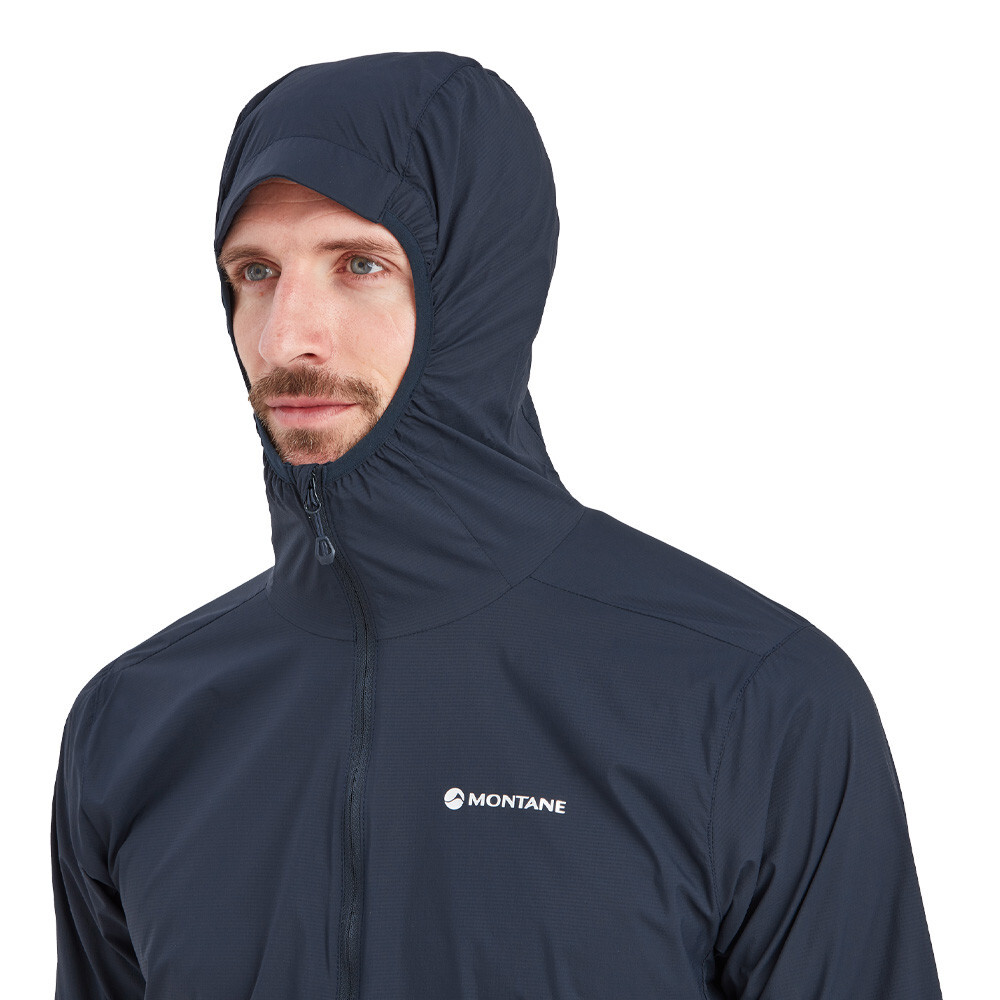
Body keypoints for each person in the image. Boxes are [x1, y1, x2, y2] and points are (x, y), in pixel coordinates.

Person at [52, 52, 941, 999]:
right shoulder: (134, 723)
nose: (284, 337)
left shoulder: (753, 701)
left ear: (476, 291)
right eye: (256, 271)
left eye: (360, 265)